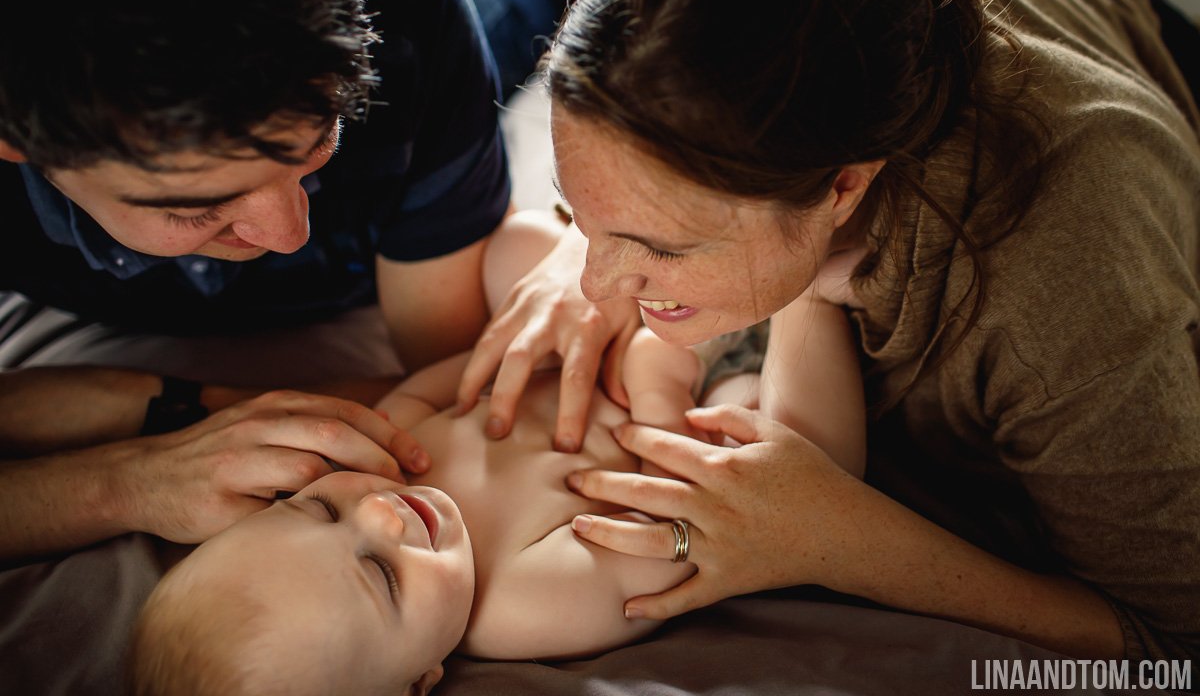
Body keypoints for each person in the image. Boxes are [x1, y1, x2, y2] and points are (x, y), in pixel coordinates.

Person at [542, 0, 1200, 666]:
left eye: (663, 246)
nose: (597, 285)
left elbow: (1174, 642)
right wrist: (575, 237)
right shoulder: (730, 131)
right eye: (578, 211)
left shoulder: (1070, 276)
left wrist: (847, 544)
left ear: (843, 188)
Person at [0, 0, 637, 563]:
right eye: (195, 207)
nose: (287, 233)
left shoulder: (410, 19)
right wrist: (127, 481)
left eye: (317, 147)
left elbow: (455, 380)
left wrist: (185, 407)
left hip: (474, 6)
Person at [126, 209, 866, 695]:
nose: (380, 514)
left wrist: (524, 355)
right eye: (382, 577)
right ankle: (806, 293)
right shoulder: (520, 605)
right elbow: (690, 530)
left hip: (602, 331)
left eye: (318, 510)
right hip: (700, 398)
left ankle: (638, 271)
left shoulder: (378, 461)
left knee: (508, 249)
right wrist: (656, 398)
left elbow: (441, 389)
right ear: (421, 679)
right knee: (810, 467)